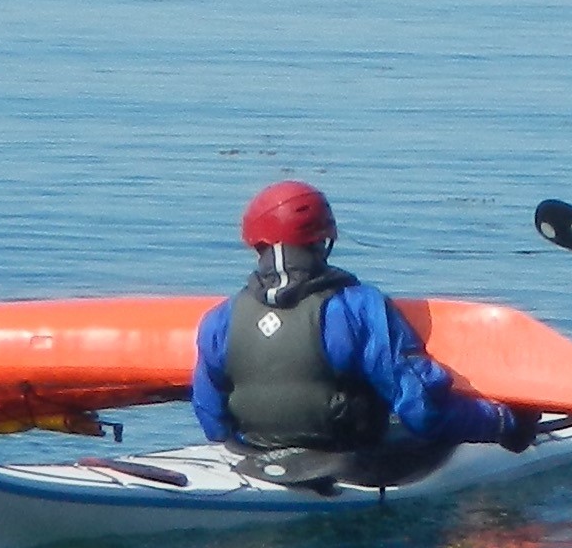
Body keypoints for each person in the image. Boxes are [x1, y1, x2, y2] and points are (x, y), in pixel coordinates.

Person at [193, 181, 543, 472]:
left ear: (255, 243)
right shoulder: (359, 308)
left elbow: (212, 421)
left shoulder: (221, 318)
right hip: (346, 461)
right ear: (324, 239)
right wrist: (502, 421)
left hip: (250, 458)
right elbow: (423, 413)